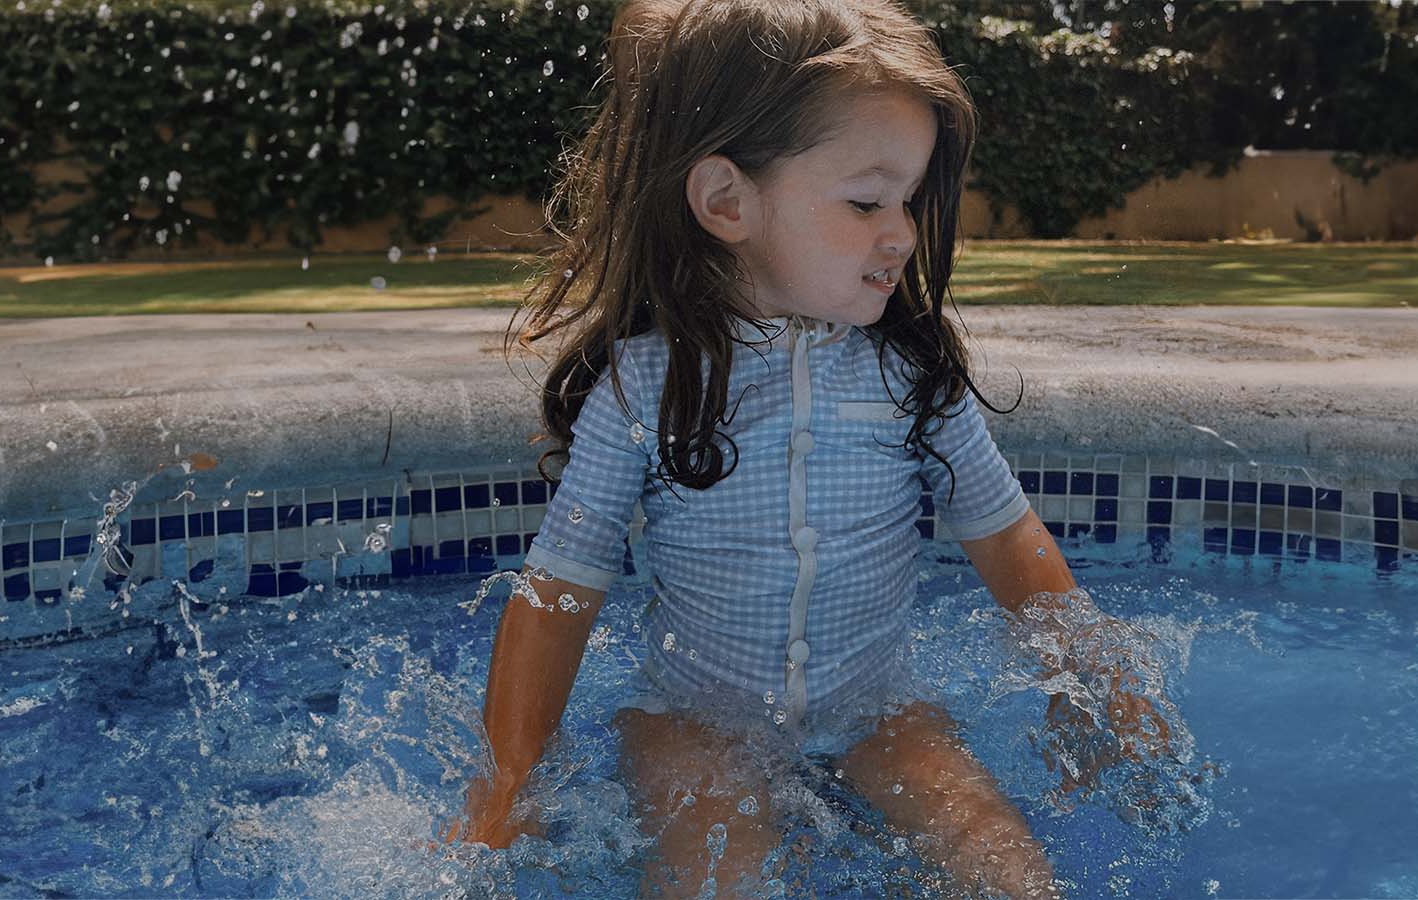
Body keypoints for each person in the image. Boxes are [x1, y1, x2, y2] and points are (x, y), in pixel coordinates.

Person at [444, 0, 1174, 895]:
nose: (902, 233)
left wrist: (1092, 679)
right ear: (728, 202)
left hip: (877, 714)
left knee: (1010, 877)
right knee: (721, 880)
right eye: (866, 201)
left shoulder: (910, 375)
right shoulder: (649, 385)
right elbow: (557, 594)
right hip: (697, 719)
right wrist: (507, 784)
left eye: (909, 201)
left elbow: (1007, 536)